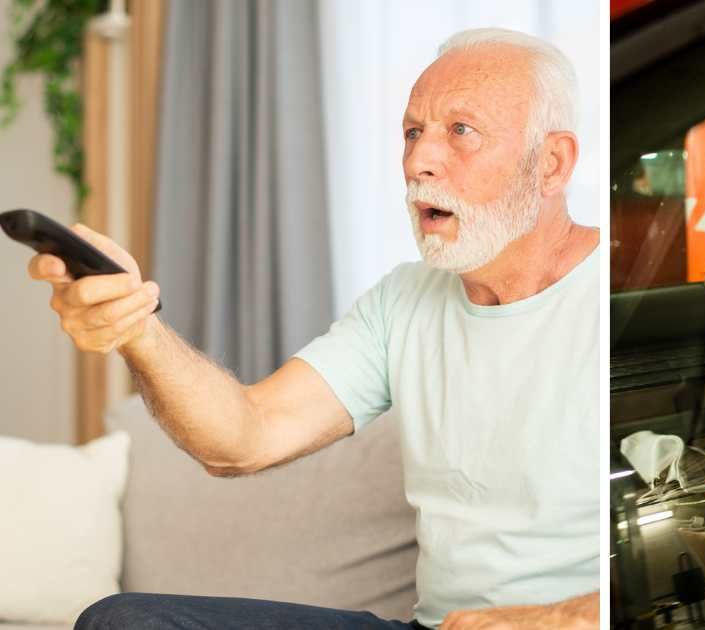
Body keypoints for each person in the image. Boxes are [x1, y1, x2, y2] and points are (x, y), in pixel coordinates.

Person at [29, 28, 602, 630]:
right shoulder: (404, 299)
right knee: (126, 621)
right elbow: (244, 439)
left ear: (552, 163)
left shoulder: (607, 294)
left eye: (460, 132)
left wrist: (557, 617)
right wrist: (136, 327)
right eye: (413, 133)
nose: (417, 163)